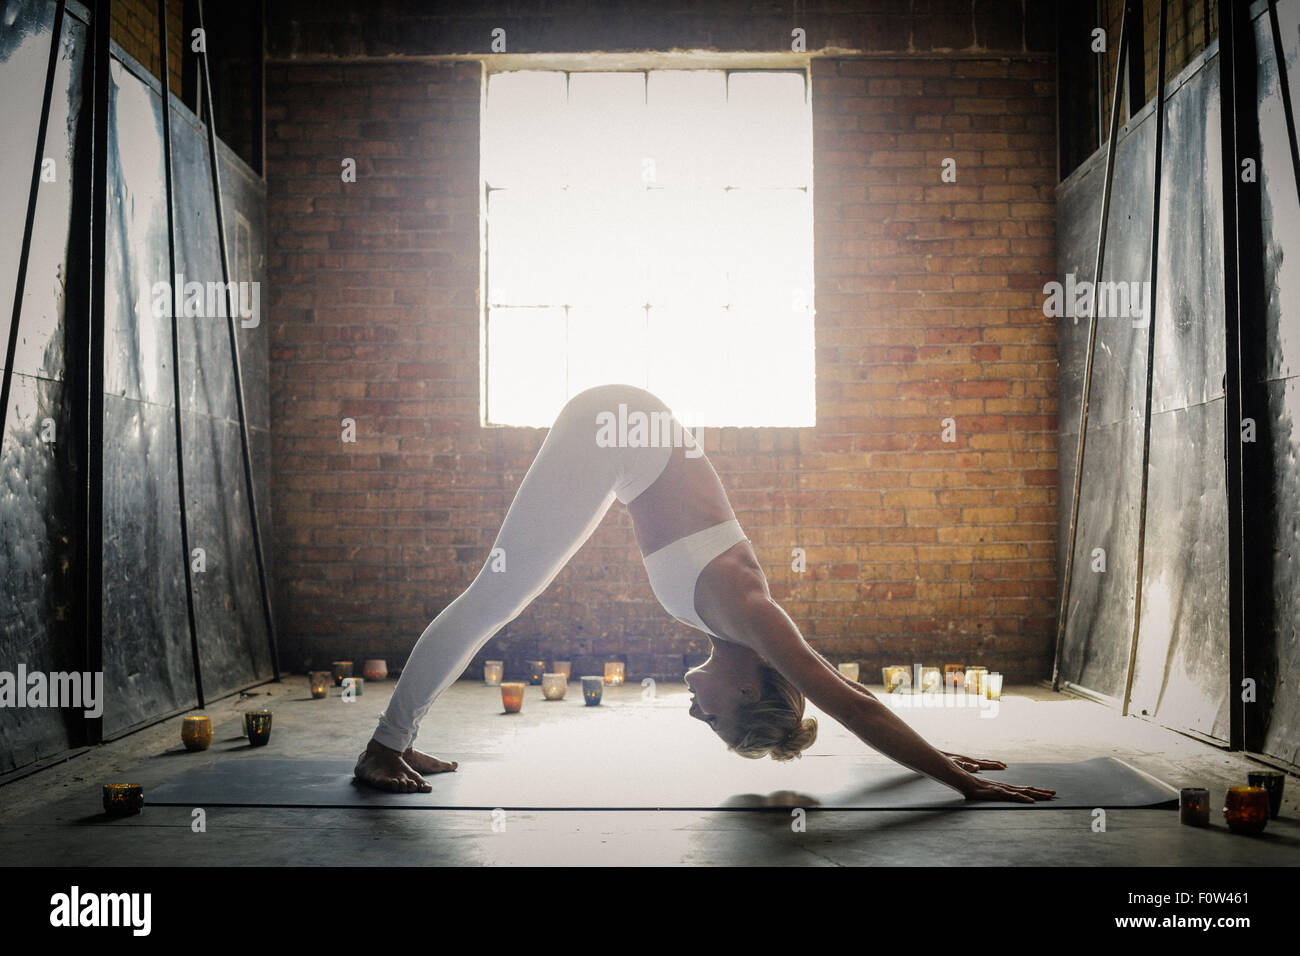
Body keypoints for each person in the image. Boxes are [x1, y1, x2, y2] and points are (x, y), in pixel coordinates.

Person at [354, 384, 1055, 804]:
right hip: (617, 427)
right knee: (496, 597)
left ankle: (397, 742)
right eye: (713, 719)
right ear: (750, 693)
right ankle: (385, 747)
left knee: (497, 598)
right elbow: (849, 701)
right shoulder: (750, 614)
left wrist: (937, 758)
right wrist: (957, 779)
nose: (696, 713)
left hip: (623, 438)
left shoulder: (729, 621)